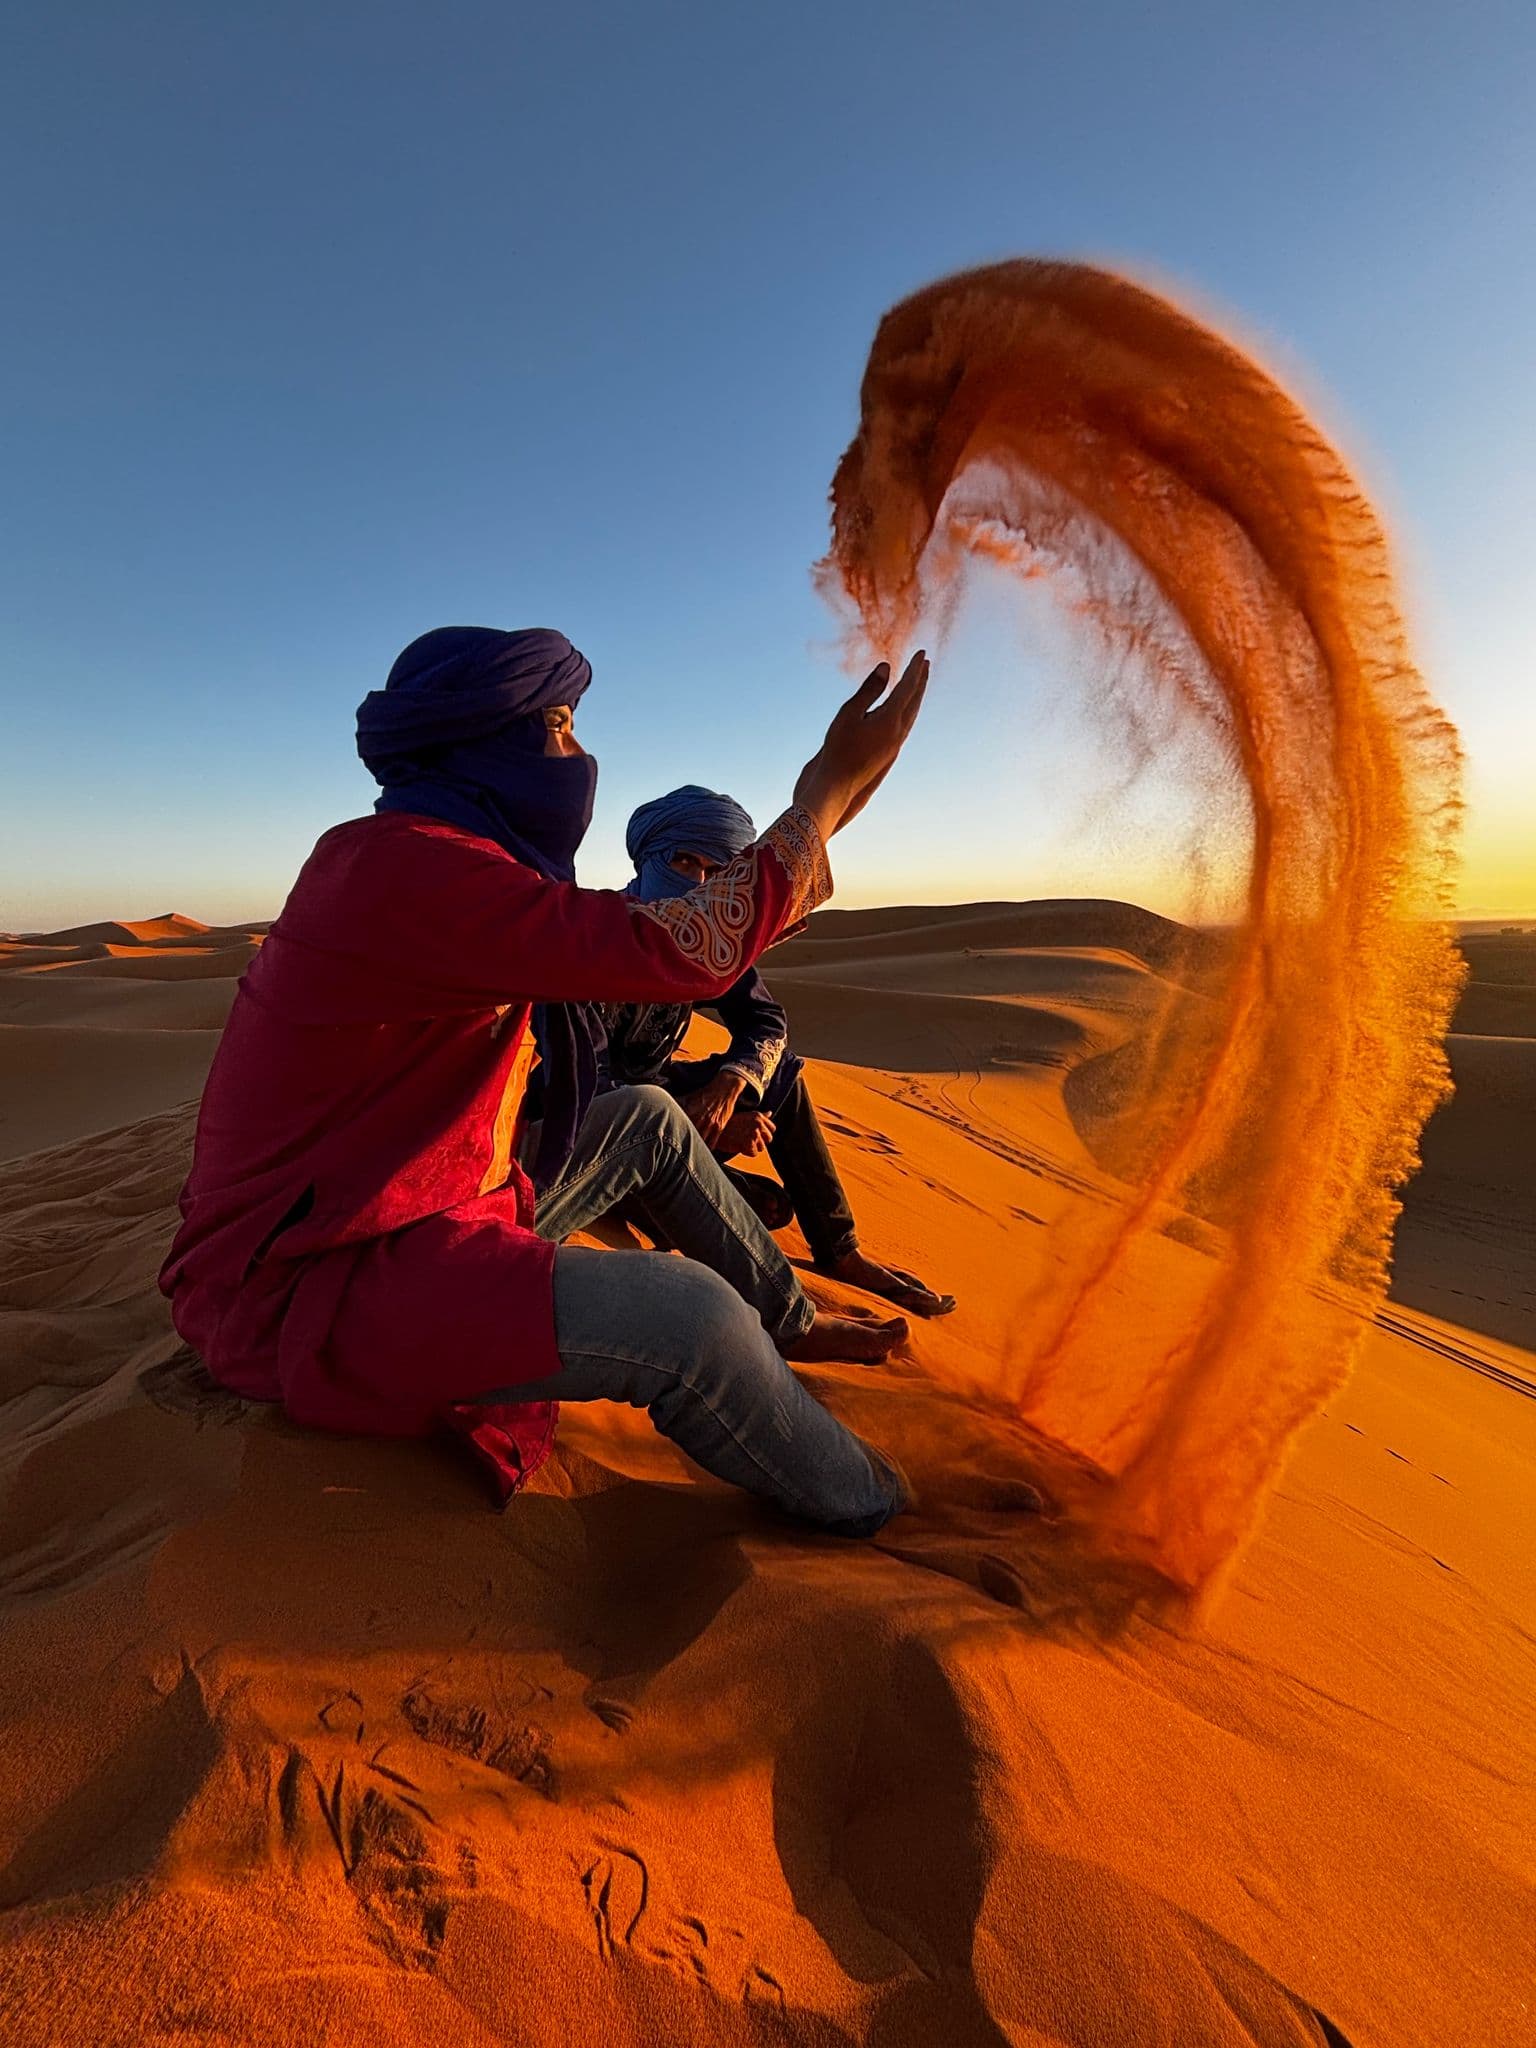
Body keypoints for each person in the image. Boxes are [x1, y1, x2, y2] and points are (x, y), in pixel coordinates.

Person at [160, 626, 929, 1538]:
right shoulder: (407, 869)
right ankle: (884, 1511)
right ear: (479, 741)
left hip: (437, 1200)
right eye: (558, 724)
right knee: (690, 1321)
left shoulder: (445, 863)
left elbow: (706, 949)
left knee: (644, 1115)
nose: (580, 757)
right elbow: (677, 948)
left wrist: (840, 794)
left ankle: (788, 1318)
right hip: (322, 1277)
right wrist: (824, 792)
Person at [599, 785, 956, 1318]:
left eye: (717, 871)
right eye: (681, 860)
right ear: (648, 857)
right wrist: (698, 1129)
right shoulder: (600, 939)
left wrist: (730, 1086)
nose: (697, 882)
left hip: (663, 1093)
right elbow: (583, 1091)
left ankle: (841, 1252)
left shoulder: (699, 939)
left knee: (780, 1079)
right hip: (597, 1134)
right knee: (759, 1204)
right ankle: (754, 1285)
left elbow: (765, 1022)